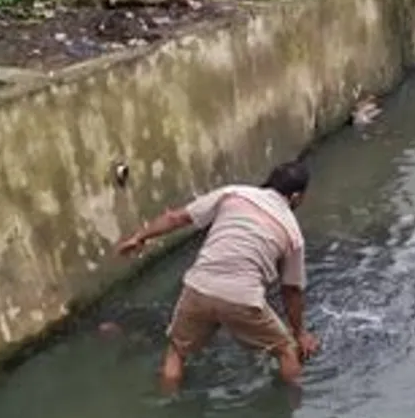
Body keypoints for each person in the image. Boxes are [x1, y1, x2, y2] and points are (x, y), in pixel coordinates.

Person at [115, 160, 320, 392]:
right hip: (242, 297)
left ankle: (167, 401)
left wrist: (140, 237)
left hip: (198, 286)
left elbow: (177, 218)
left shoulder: (233, 194)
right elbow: (291, 290)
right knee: (286, 350)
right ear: (295, 197)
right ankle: (292, 409)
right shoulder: (293, 233)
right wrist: (300, 333)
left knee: (176, 352)